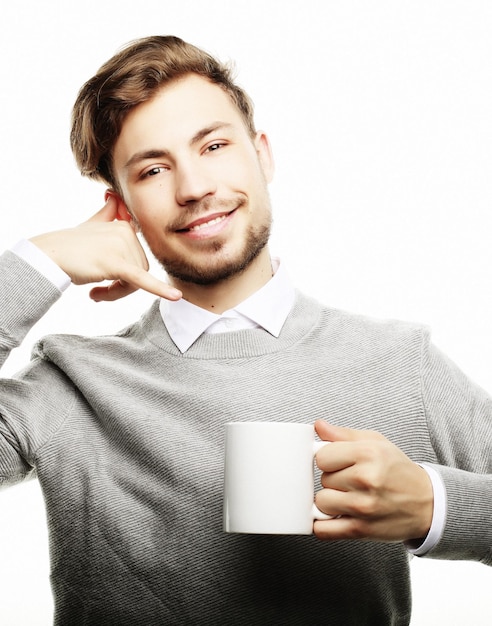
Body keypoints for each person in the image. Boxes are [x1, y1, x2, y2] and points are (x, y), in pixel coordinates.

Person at [0, 35, 490, 625]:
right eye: (154, 169)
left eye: (213, 145)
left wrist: (433, 506)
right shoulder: (71, 384)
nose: (194, 188)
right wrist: (38, 263)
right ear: (122, 209)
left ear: (263, 155)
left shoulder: (398, 362)